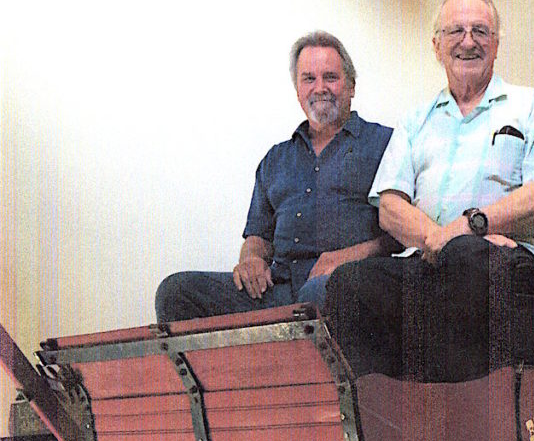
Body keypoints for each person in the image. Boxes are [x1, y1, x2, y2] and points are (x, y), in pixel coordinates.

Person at [325, 0, 534, 382]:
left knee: (467, 259)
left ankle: (459, 418)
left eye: (480, 31)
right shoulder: (416, 120)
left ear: (496, 45)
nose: (468, 42)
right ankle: (385, 423)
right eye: (455, 32)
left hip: (510, 263)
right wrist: (439, 241)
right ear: (437, 45)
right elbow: (391, 208)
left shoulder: (533, 106)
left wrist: (473, 228)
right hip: (431, 263)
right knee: (350, 282)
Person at [154, 31, 393, 322]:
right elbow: (258, 236)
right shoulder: (276, 159)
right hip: (277, 290)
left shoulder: (384, 144)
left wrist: (346, 258)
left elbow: (400, 236)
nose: (320, 88)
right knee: (176, 291)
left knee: (318, 295)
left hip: (346, 287)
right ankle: (218, 370)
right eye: (309, 79)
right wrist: (251, 259)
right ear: (297, 89)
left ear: (351, 86)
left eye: (330, 77)